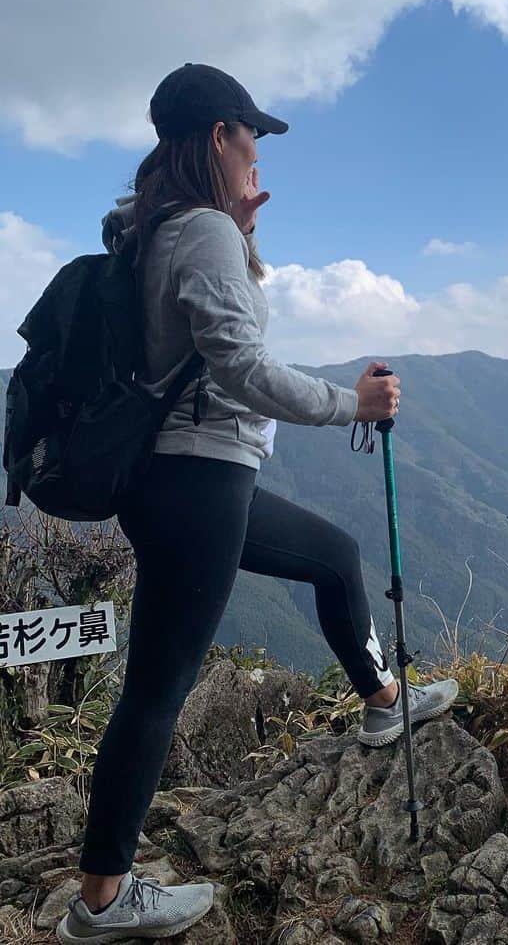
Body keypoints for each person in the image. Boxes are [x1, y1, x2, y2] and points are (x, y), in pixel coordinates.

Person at [57, 63, 459, 944]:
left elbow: (197, 343)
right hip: (197, 488)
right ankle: (101, 900)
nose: (257, 155)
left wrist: (238, 235)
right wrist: (350, 402)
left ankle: (384, 698)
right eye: (252, 138)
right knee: (156, 691)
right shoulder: (197, 231)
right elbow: (241, 366)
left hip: (189, 487)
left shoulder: (157, 227)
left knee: (334, 556)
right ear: (217, 138)